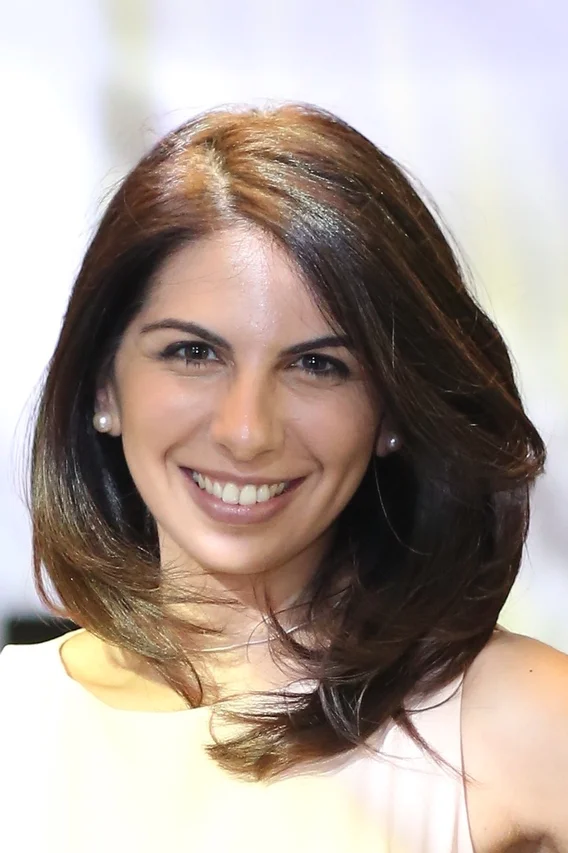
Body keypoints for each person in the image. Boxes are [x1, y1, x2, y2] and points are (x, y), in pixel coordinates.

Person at [1, 103, 567, 853]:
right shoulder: (17, 719)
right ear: (104, 387)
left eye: (317, 365)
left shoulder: (514, 719)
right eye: (193, 353)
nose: (246, 430)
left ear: (393, 410)